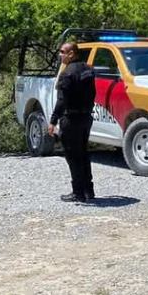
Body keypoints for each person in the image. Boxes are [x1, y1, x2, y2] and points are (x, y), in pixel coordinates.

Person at [48, 41, 96, 203]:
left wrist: (53, 121)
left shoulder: (67, 73)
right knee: (83, 153)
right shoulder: (88, 70)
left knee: (73, 157)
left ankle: (78, 192)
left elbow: (62, 100)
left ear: (71, 53)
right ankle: (88, 190)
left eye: (62, 52)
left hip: (71, 119)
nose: (60, 54)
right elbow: (93, 94)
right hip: (86, 118)